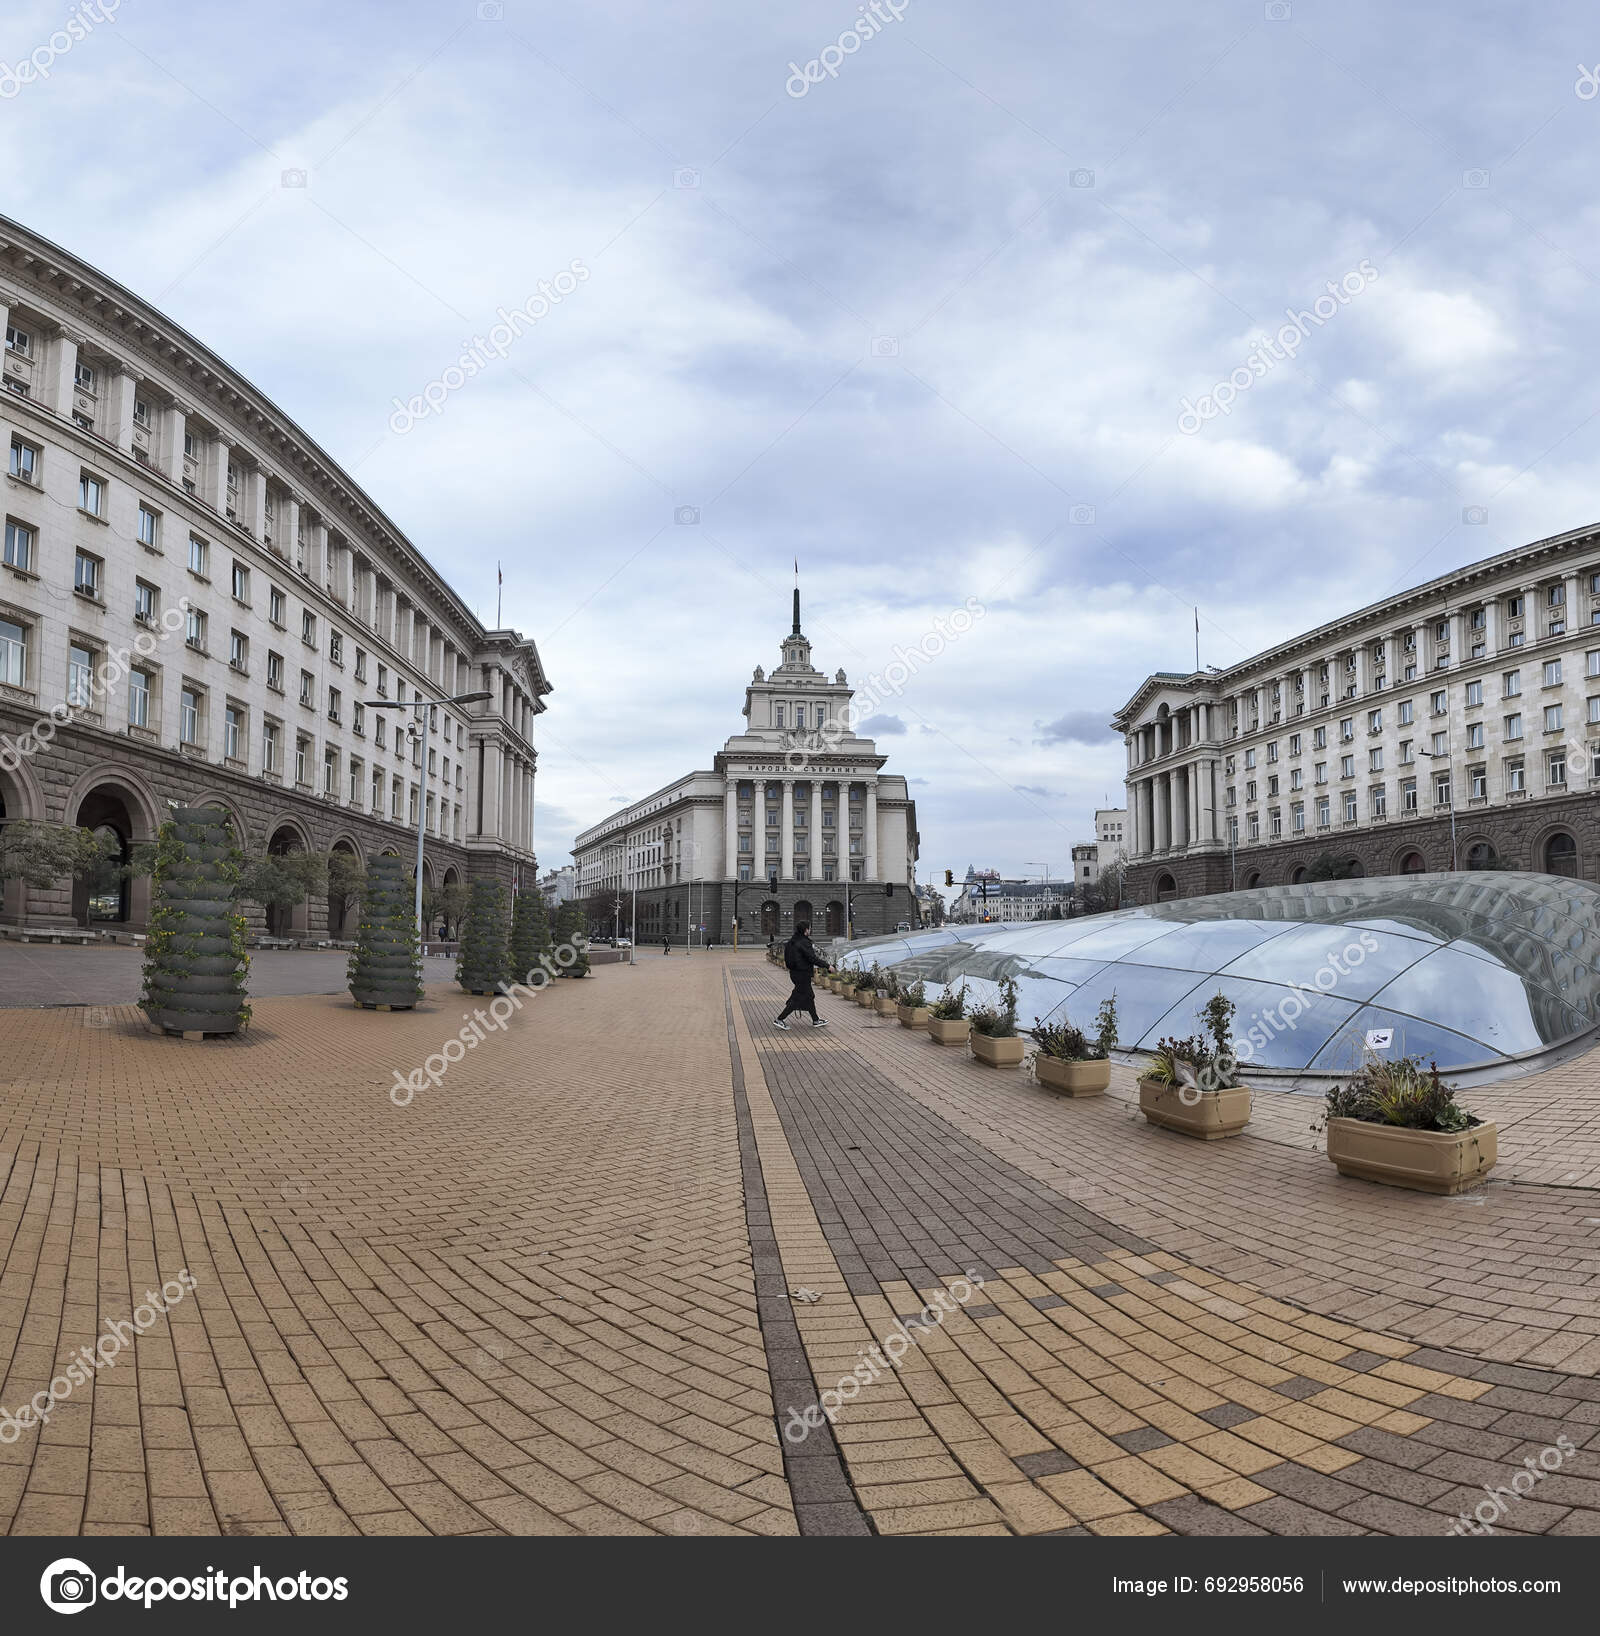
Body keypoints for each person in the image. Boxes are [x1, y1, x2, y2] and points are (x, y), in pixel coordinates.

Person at [773, 920, 829, 1030]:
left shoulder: (792, 941)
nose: (810, 930)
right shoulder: (804, 942)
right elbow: (812, 958)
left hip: (795, 974)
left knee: (809, 996)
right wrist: (827, 966)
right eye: (809, 928)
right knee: (797, 998)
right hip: (802, 974)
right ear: (805, 930)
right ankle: (780, 1019)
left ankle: (815, 1020)